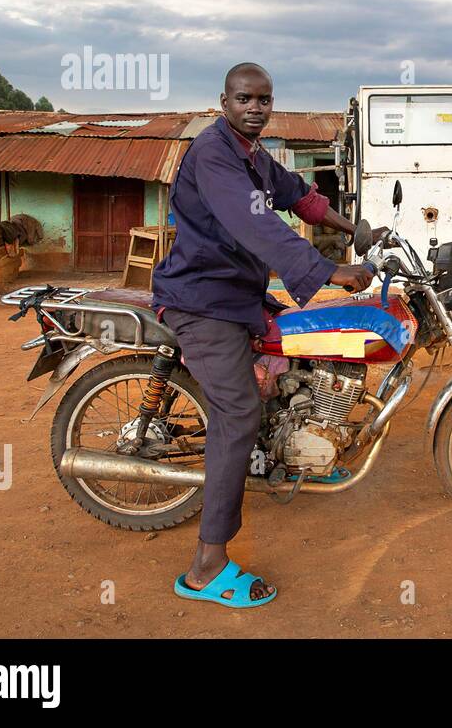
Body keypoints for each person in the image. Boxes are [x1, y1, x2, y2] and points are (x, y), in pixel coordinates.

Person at [152, 62, 377, 607]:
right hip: (203, 300)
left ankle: (299, 447)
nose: (255, 107)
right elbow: (256, 225)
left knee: (300, 353)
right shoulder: (213, 154)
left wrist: (357, 230)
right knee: (236, 413)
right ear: (223, 102)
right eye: (245, 98)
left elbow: (299, 195)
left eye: (264, 99)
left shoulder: (254, 156)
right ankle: (207, 565)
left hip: (237, 294)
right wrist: (328, 271)